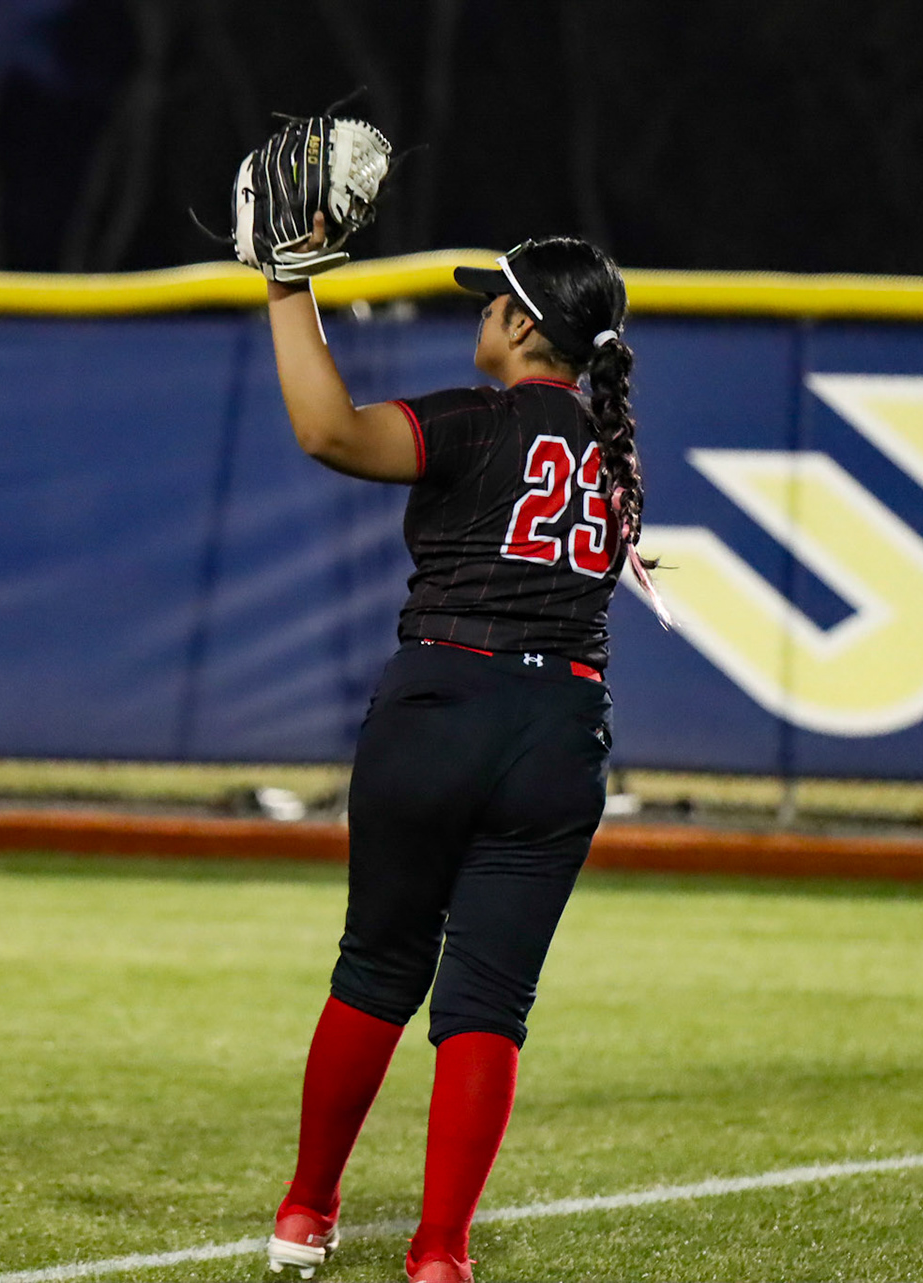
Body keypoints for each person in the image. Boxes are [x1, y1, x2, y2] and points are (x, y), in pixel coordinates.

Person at [262, 233, 653, 1283]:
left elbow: (327, 430)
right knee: (488, 1002)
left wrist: (288, 286)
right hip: (562, 725)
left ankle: (306, 1209)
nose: (481, 315)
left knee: (378, 966)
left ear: (524, 326)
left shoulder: (477, 421)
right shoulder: (616, 452)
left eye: (493, 303)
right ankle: (440, 1253)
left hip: (442, 700)